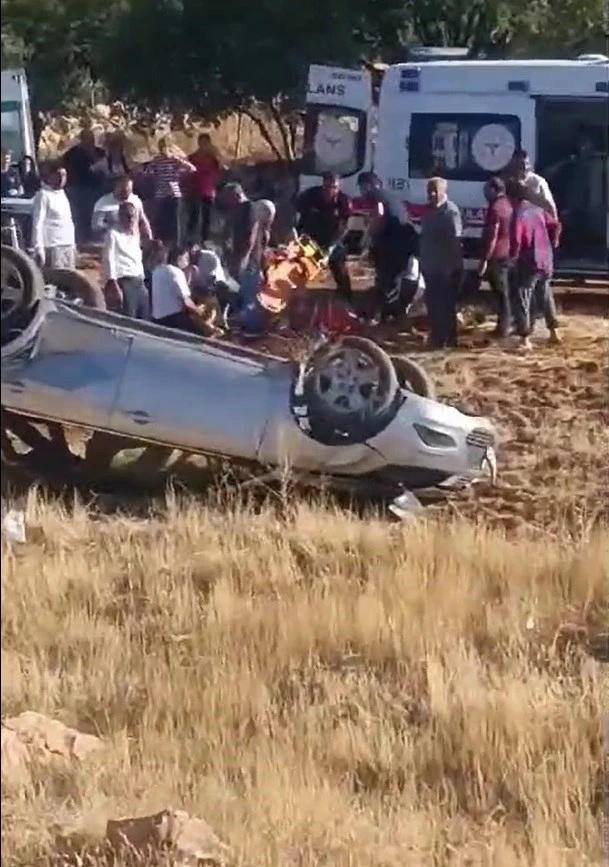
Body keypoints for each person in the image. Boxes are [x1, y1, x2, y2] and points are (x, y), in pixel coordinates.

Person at [357, 170, 418, 322]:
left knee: (388, 280)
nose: (362, 191)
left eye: (362, 186)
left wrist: (369, 237)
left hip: (393, 244)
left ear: (369, 184)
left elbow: (379, 214)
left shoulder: (375, 194)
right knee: (393, 280)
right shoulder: (390, 196)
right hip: (405, 242)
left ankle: (387, 316)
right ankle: (389, 314)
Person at [510, 184, 562, 349]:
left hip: (529, 261)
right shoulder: (538, 210)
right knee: (545, 294)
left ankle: (525, 338)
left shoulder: (519, 214)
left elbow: (517, 240)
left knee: (523, 297)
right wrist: (553, 242)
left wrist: (513, 257)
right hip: (545, 258)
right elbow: (556, 225)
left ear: (512, 197)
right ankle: (554, 332)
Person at [294, 172, 353, 306]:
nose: (330, 190)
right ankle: (297, 300)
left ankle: (347, 300)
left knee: (340, 269)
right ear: (322, 185)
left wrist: (331, 247)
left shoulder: (344, 201)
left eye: (334, 187)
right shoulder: (309, 196)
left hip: (331, 239)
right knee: (301, 268)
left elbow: (344, 227)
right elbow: (297, 213)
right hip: (309, 240)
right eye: (327, 187)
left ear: (338, 187)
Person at [419, 177, 463, 349]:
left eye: (435, 191)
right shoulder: (428, 212)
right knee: (433, 304)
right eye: (429, 191)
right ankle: (439, 336)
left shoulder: (450, 212)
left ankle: (444, 339)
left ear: (444, 191)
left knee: (445, 305)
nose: (431, 194)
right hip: (430, 266)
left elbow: (454, 242)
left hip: (445, 268)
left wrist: (450, 268)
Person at [478, 176, 514, 338]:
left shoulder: (495, 208)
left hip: (496, 254)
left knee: (500, 292)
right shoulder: (507, 204)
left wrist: (485, 259)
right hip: (506, 252)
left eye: (486, 190)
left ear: (494, 190)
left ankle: (503, 326)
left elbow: (492, 235)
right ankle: (506, 323)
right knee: (504, 291)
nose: (485, 194)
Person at [101, 201, 150, 320]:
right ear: (120, 216)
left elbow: (138, 258)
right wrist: (113, 283)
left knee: (145, 316)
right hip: (125, 281)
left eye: (133, 216)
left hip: (139, 281)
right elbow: (109, 258)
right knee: (129, 317)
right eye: (127, 216)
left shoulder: (135, 236)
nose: (131, 219)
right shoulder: (113, 234)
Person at [143, 137, 195, 243]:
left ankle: (176, 243)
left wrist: (178, 164)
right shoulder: (157, 160)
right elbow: (147, 172)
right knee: (162, 221)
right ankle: (162, 242)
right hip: (161, 194)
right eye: (162, 147)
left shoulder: (174, 160)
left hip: (173, 194)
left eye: (166, 147)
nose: (164, 149)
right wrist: (155, 175)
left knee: (175, 223)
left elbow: (192, 169)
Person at [62, 128, 106, 243]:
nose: (90, 141)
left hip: (96, 188)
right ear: (81, 139)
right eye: (86, 139)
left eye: (91, 138)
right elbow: (65, 165)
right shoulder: (72, 153)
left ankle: (94, 239)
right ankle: (81, 240)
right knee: (80, 216)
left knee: (96, 215)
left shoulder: (100, 152)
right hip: (78, 188)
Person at [150, 243, 206, 331]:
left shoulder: (157, 271)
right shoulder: (176, 272)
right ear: (179, 258)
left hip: (156, 318)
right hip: (174, 318)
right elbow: (185, 300)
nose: (187, 262)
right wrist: (198, 310)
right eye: (186, 258)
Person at [31, 164, 77, 270]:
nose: (62, 178)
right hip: (53, 247)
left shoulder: (63, 194)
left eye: (64, 175)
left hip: (68, 245)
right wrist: (38, 247)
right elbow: (38, 223)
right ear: (50, 176)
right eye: (58, 175)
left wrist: (73, 243)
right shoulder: (43, 195)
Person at [185, 133, 222, 243]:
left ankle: (204, 239)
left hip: (208, 190)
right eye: (201, 142)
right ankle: (190, 239)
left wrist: (214, 186)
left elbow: (218, 172)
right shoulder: (193, 157)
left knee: (206, 216)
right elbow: (187, 171)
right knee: (193, 215)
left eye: (205, 142)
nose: (203, 145)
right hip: (194, 189)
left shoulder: (213, 158)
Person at [91, 175, 152, 239]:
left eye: (129, 191)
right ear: (115, 188)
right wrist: (116, 229)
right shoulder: (103, 202)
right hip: (113, 240)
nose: (126, 194)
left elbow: (142, 220)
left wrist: (149, 235)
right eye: (123, 191)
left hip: (133, 240)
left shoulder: (136, 201)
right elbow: (96, 226)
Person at [505, 149, 557, 218]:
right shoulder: (507, 182)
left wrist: (555, 222)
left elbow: (550, 206)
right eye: (519, 165)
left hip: (536, 220)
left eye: (526, 164)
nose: (524, 167)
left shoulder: (538, 182)